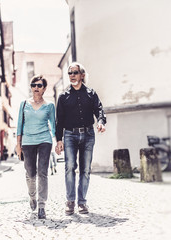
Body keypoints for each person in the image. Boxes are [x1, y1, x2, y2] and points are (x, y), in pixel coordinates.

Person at [55, 62, 106, 215]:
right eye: (69, 73)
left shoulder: (91, 93)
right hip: (69, 135)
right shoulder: (63, 96)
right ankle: (70, 201)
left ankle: (82, 202)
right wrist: (59, 140)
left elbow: (99, 109)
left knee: (85, 169)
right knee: (70, 167)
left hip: (89, 134)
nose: (72, 76)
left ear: (82, 75)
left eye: (75, 73)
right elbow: (60, 120)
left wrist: (101, 122)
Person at [16, 75, 56, 219]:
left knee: (43, 173)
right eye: (33, 85)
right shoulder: (24, 104)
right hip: (27, 142)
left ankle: (42, 205)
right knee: (30, 173)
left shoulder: (49, 106)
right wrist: (18, 145)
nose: (36, 88)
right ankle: (32, 196)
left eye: (39, 85)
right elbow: (19, 125)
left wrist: (58, 141)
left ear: (44, 88)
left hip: (44, 140)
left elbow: (53, 125)